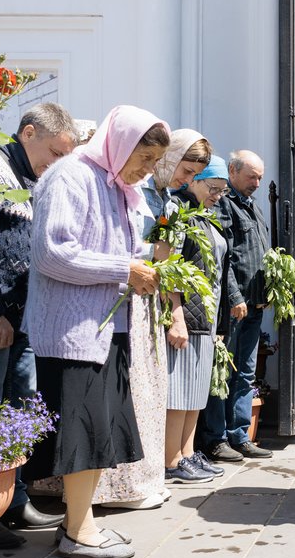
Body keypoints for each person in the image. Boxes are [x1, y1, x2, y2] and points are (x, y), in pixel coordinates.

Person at [22, 105, 169, 558]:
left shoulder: (113, 185)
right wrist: (125, 269)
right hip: (74, 331)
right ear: (119, 145)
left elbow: (104, 248)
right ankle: (77, 532)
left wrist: (147, 256)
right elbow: (52, 253)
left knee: (94, 434)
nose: (146, 171)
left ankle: (80, 524)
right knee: (81, 435)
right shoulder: (70, 176)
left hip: (103, 329)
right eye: (144, 159)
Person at [0, 102, 77, 545]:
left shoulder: (27, 176)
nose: (58, 163)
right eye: (55, 152)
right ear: (28, 133)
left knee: (16, 414)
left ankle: (13, 499)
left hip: (18, 322)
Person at [88, 128, 214, 506]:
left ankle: (141, 477)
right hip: (121, 293)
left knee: (146, 391)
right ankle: (115, 483)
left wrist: (173, 307)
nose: (186, 179)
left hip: (148, 300)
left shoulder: (167, 200)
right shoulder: (133, 190)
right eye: (185, 170)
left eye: (192, 175)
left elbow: (166, 260)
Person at [199, 149, 274, 462]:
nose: (257, 182)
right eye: (251, 176)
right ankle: (215, 439)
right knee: (223, 372)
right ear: (232, 171)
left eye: (259, 177)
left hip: (254, 303)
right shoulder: (224, 205)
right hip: (235, 306)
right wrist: (234, 297)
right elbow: (224, 258)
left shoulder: (251, 206)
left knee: (244, 372)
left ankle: (240, 435)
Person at [165, 154, 231, 483]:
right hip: (186, 314)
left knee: (195, 392)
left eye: (222, 190)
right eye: (214, 187)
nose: (218, 195)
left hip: (206, 314)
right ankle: (171, 459)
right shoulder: (175, 208)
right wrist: (175, 312)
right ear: (195, 180)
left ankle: (188, 453)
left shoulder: (205, 215)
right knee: (179, 391)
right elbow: (164, 257)